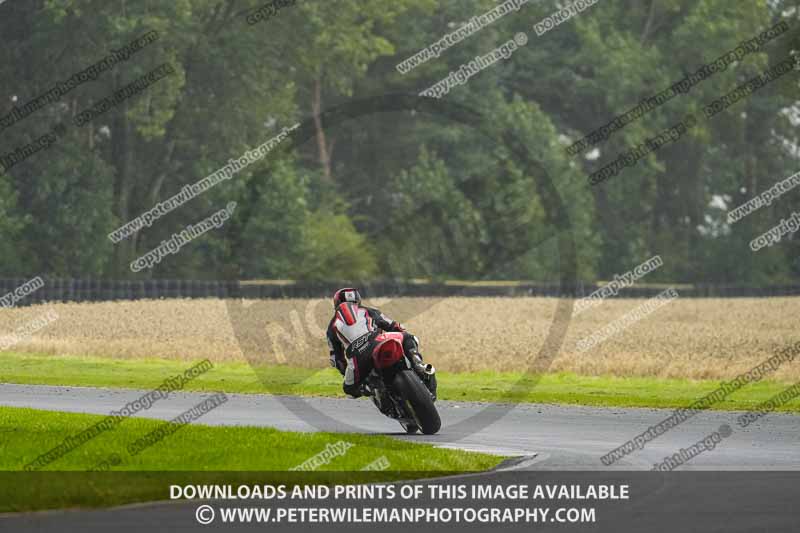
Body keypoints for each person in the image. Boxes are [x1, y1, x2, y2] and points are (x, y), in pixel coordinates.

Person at [326, 287, 434, 399]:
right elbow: (395, 326)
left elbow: (336, 359)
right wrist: (399, 336)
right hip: (378, 339)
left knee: (349, 389)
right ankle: (418, 364)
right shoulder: (370, 311)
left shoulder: (331, 326)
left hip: (357, 357)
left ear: (336, 303)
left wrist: (345, 373)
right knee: (409, 338)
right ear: (358, 299)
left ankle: (370, 389)